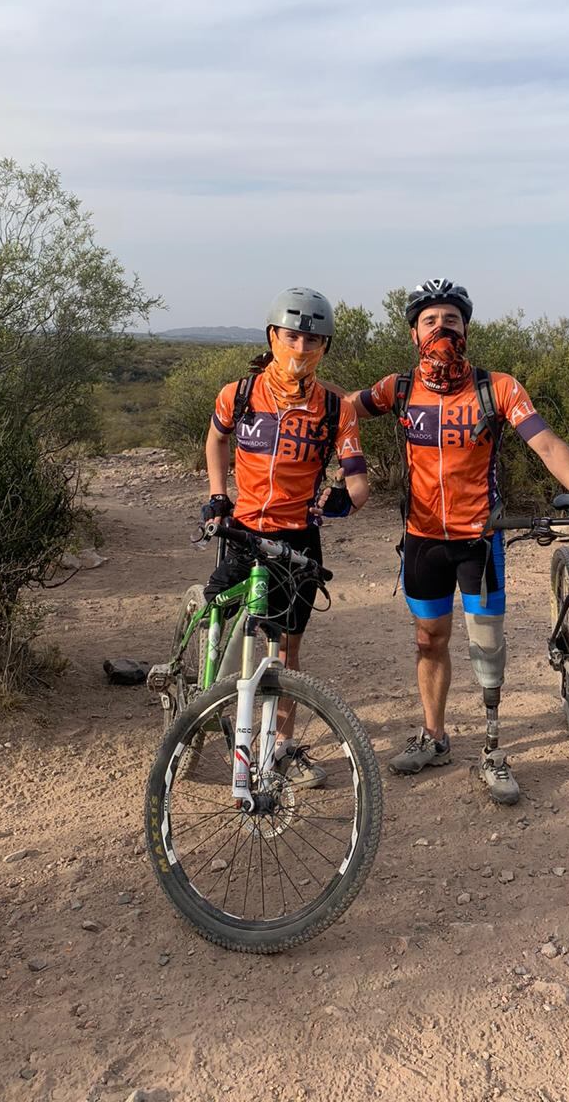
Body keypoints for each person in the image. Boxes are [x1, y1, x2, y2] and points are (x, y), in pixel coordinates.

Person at [349, 277, 569, 804]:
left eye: (451, 319)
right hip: (422, 540)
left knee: (487, 646)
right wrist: (342, 461)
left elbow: (545, 443)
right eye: (430, 320)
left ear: (466, 329)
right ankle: (435, 737)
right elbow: (336, 409)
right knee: (429, 640)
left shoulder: (497, 387)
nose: (441, 329)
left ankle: (494, 748)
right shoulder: (398, 389)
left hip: (480, 540)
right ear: (413, 334)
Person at [204, 286, 369, 787]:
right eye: (292, 336)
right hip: (243, 528)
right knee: (218, 616)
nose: (301, 349)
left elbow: (359, 479)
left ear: (326, 347)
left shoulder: (337, 408)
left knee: (284, 649)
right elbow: (215, 439)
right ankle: (200, 701)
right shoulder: (239, 394)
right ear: (272, 336)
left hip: (295, 539)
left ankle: (280, 745)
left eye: (313, 340)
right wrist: (217, 494)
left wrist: (346, 499)